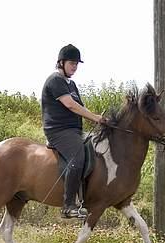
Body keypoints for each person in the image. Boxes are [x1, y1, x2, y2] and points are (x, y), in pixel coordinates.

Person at [41, 44, 106, 218]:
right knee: (77, 157)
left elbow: (80, 107)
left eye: (77, 64)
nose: (75, 67)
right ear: (61, 62)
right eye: (71, 63)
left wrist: (100, 120)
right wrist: (95, 117)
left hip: (74, 130)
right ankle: (68, 205)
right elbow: (70, 105)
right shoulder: (55, 81)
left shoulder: (72, 84)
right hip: (58, 130)